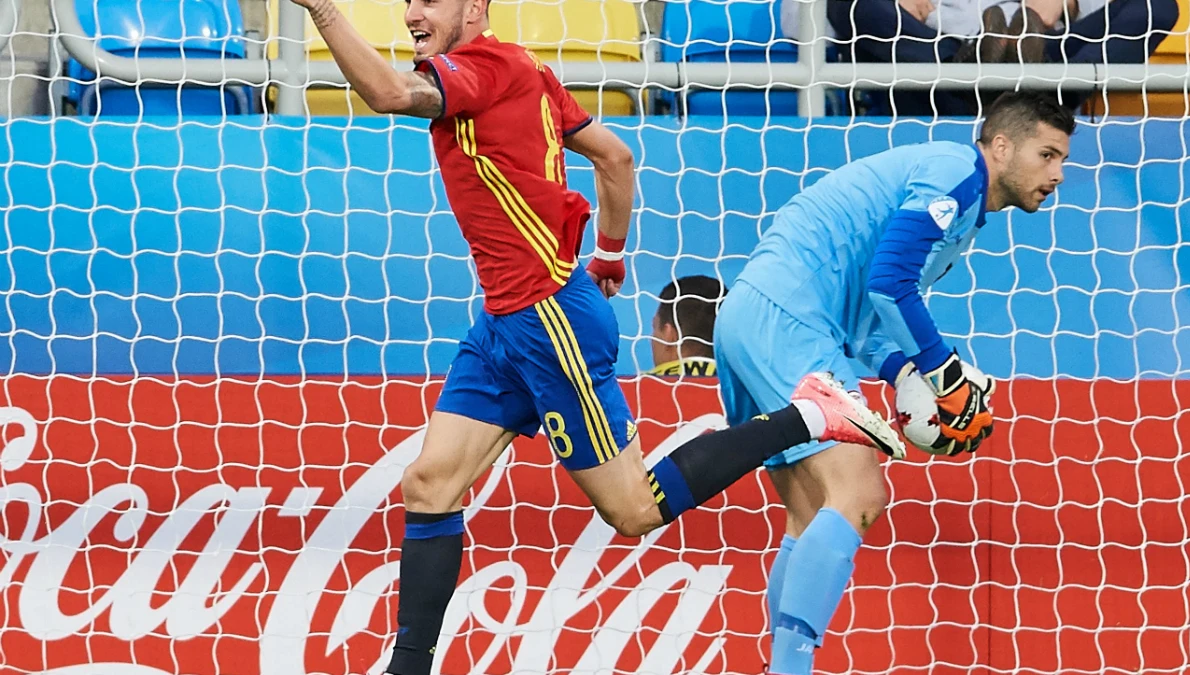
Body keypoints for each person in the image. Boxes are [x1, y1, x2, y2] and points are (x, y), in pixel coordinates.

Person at [287, 0, 904, 673]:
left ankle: (810, 411)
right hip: (507, 320)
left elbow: (384, 92)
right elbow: (615, 157)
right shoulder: (531, 72)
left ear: (474, 8)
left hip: (549, 320)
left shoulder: (483, 69)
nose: (411, 12)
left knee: (635, 508)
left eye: (430, 0)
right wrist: (609, 253)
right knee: (429, 484)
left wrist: (321, 9)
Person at [712, 91, 1075, 675]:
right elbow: (889, 282)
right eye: (1048, 154)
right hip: (792, 321)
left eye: (1063, 161)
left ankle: (782, 664)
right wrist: (942, 371)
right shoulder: (957, 173)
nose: (1057, 175)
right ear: (1001, 147)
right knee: (861, 494)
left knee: (809, 516)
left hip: (756, 318)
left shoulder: (956, 198)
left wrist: (907, 373)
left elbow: (870, 319)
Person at [647, 275, 726, 377]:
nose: (651, 338)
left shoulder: (634, 387)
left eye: (654, 328)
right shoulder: (743, 384)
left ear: (669, 336)